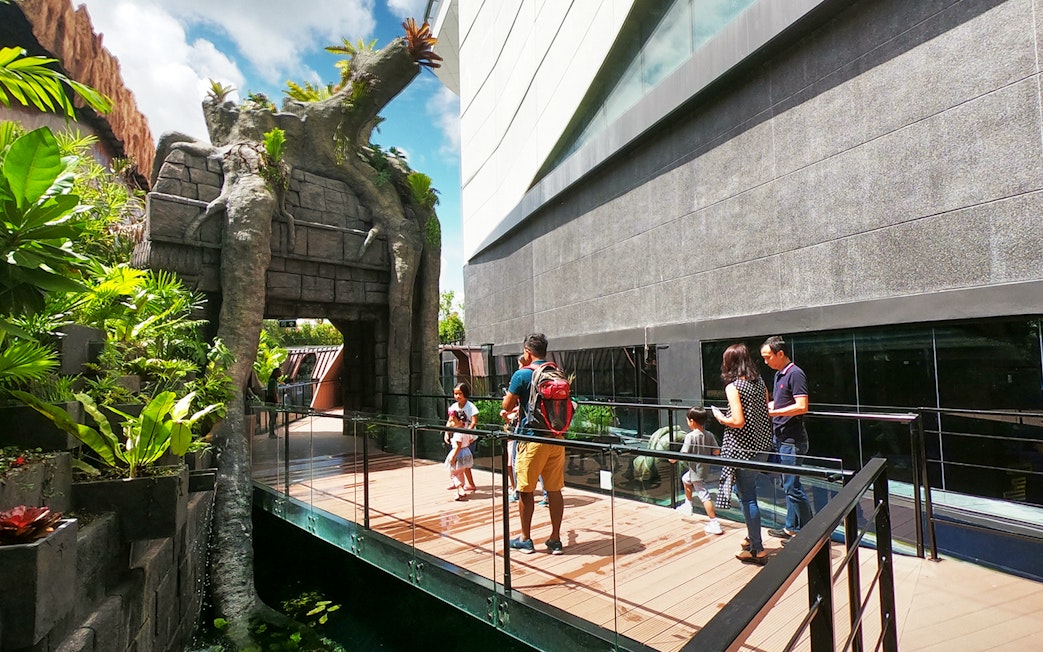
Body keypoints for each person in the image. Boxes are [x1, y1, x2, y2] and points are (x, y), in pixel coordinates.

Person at [500, 333, 565, 555]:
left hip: (531, 440)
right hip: (556, 438)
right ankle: (555, 540)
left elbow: (507, 406)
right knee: (554, 490)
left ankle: (526, 539)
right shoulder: (556, 372)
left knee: (526, 490)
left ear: (527, 351)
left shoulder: (522, 374)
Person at [711, 343, 773, 565]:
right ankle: (751, 536)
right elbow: (766, 412)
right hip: (762, 447)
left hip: (741, 450)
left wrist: (720, 417)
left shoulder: (734, 387)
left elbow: (737, 421)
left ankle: (757, 549)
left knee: (747, 498)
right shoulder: (760, 383)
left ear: (731, 363)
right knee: (749, 493)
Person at [761, 336, 813, 542]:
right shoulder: (778, 375)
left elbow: (802, 406)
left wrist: (773, 414)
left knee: (792, 486)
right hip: (781, 438)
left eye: (768, 357)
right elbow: (778, 403)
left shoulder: (795, 374)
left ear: (780, 353)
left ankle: (809, 533)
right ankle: (791, 528)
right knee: (789, 485)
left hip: (792, 440)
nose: (766, 362)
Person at [670, 407, 723, 535]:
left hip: (696, 472)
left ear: (692, 421)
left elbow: (684, 453)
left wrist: (673, 459)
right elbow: (716, 451)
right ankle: (688, 505)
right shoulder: (709, 434)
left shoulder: (690, 436)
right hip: (703, 468)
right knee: (685, 479)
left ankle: (714, 522)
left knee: (704, 495)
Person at [444, 382, 479, 493]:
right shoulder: (454, 407)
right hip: (457, 437)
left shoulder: (470, 406)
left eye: (460, 394)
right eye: (455, 394)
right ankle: (457, 482)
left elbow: (473, 422)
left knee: (465, 463)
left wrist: (468, 432)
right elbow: (450, 421)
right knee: (457, 462)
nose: (457, 396)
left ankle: (470, 484)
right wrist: (447, 433)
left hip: (468, 438)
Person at [445, 423, 475, 501]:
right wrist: (466, 442)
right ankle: (460, 492)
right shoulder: (466, 430)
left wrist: (453, 457)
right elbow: (471, 439)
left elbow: (458, 446)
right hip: (466, 452)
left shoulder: (457, 433)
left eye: (453, 421)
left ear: (459, 421)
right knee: (461, 472)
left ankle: (460, 487)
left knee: (453, 473)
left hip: (459, 453)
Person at [265, 368, 283, 437]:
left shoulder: (273, 381)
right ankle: (271, 433)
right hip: (272, 400)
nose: (280, 373)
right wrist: (277, 401)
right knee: (272, 416)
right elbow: (274, 392)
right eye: (279, 372)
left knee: (273, 416)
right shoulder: (273, 381)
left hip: (271, 399)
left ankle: (272, 432)